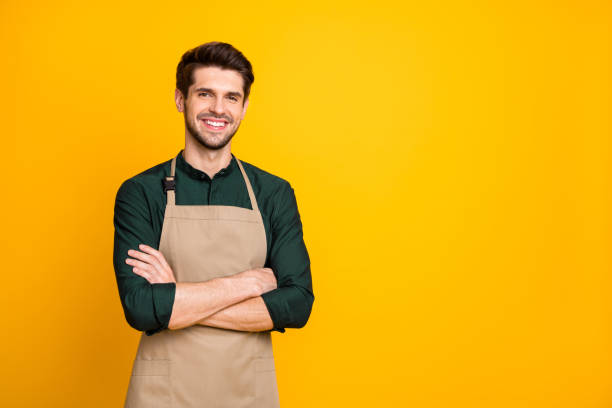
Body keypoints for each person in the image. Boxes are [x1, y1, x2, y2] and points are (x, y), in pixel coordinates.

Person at [112, 41, 314, 408]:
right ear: (180, 99)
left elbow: (297, 304)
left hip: (247, 393)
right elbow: (140, 307)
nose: (218, 109)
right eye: (205, 94)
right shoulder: (141, 193)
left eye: (231, 97)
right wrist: (248, 282)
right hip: (163, 396)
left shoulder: (273, 193)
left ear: (244, 107)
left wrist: (176, 300)